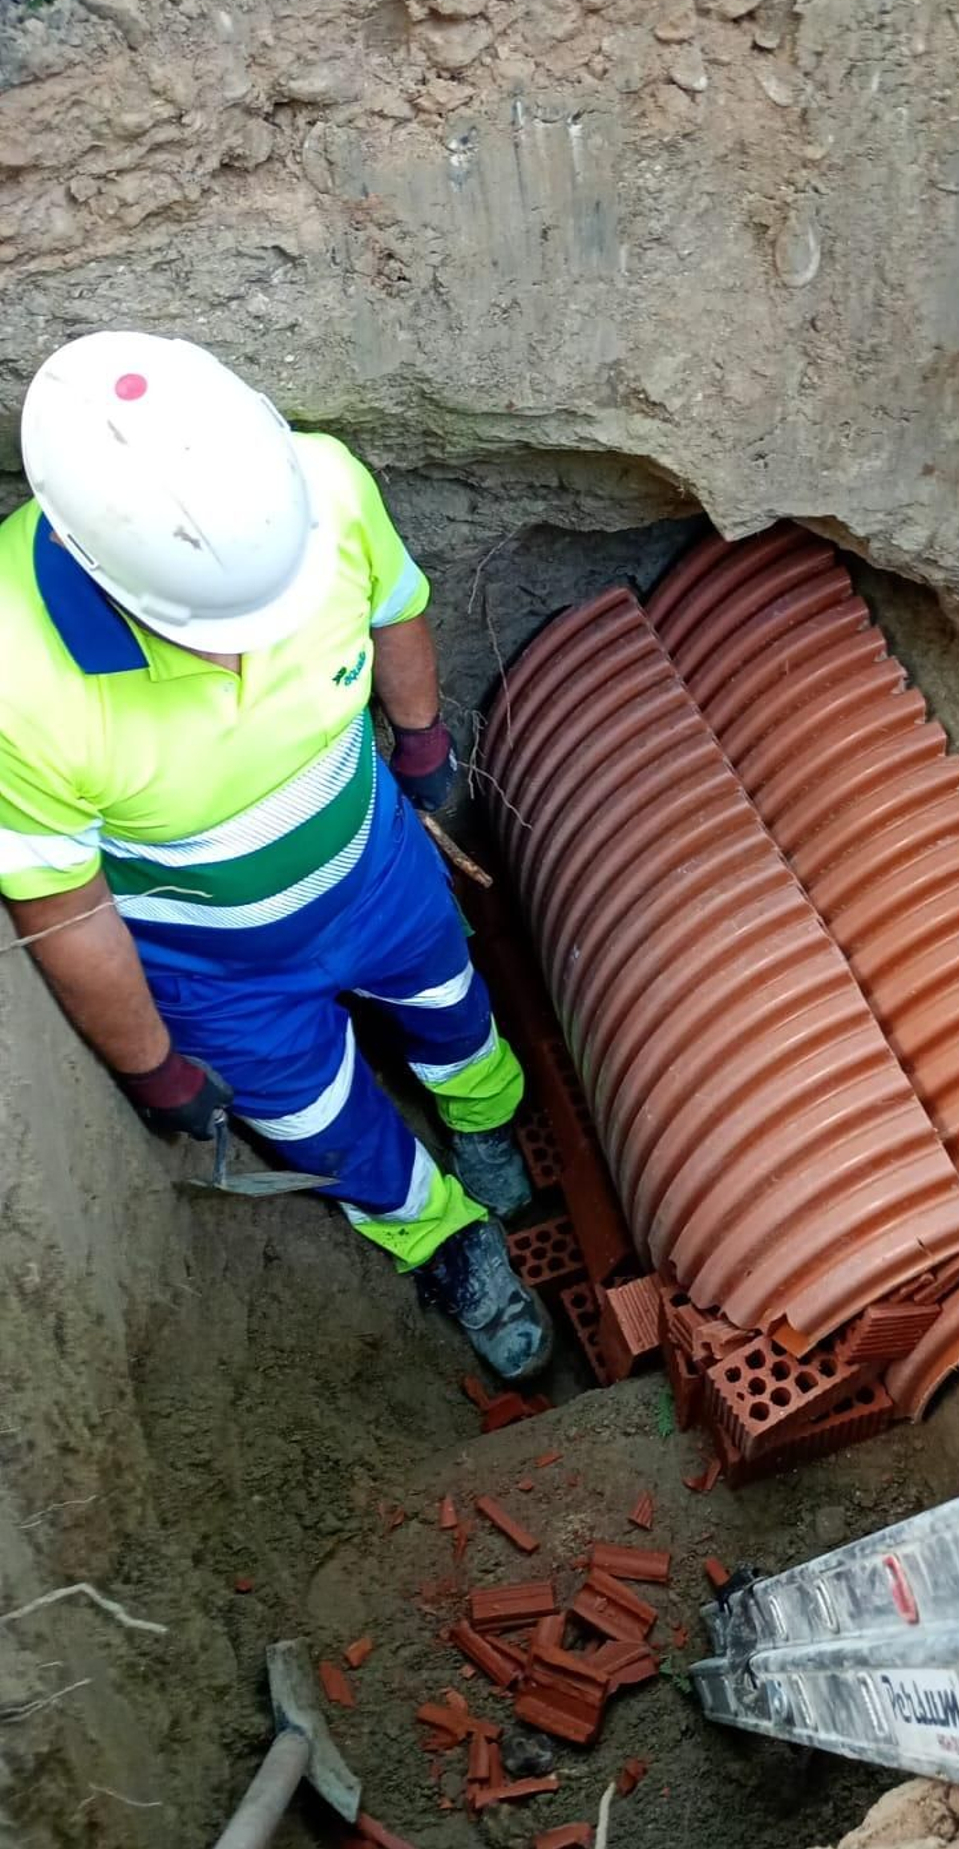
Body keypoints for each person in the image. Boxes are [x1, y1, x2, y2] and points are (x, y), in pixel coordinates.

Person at [0, 330, 551, 1380]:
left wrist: (423, 740)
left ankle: (487, 1121)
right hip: (216, 975)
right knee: (318, 1120)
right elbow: (64, 906)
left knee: (452, 1006)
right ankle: (441, 1236)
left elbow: (395, 605)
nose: (254, 641)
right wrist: (153, 1064)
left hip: (378, 872)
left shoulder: (320, 487)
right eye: (215, 624)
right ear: (92, 562)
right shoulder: (15, 678)